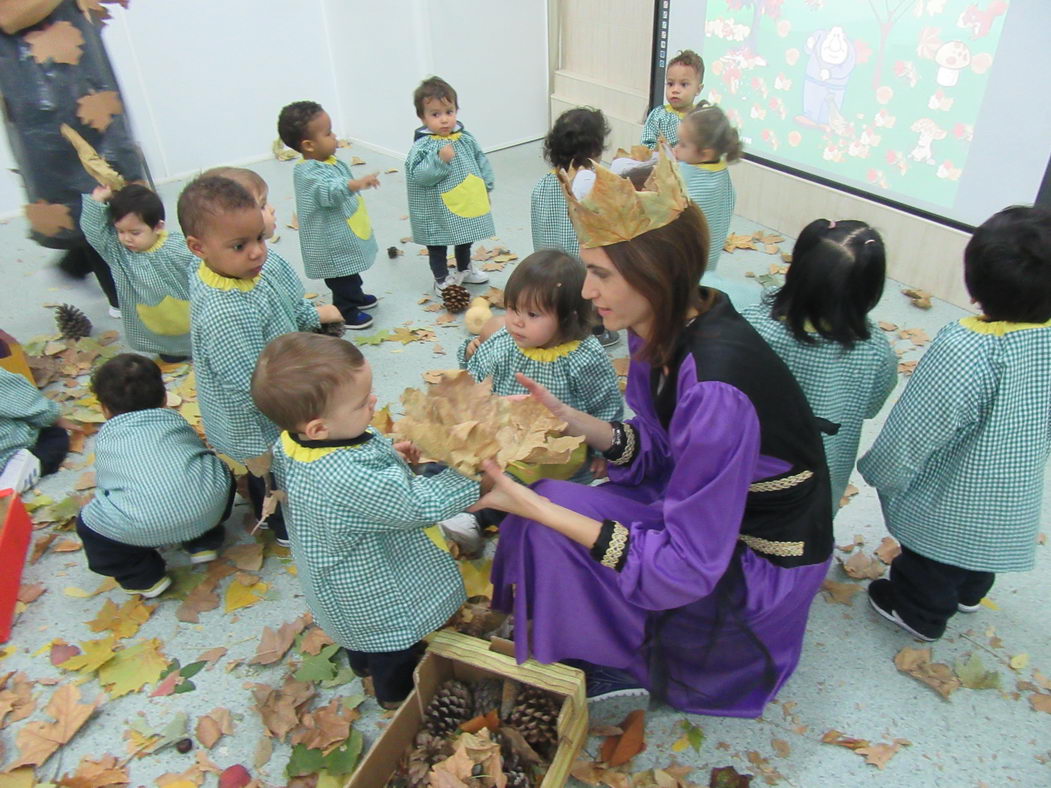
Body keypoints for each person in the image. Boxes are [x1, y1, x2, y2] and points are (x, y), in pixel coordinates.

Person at [477, 146, 833, 717]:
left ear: (656, 273)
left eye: (599, 274)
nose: (586, 293)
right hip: (707, 513)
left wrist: (544, 512)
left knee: (549, 520)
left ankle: (617, 660)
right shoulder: (664, 324)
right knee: (542, 505)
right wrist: (574, 421)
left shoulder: (718, 388)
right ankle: (583, 628)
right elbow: (666, 448)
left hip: (754, 560)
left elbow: (687, 566)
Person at [253, 332, 479, 709]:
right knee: (393, 644)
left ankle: (361, 664)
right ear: (317, 428)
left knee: (360, 636)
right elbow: (418, 505)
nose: (373, 401)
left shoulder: (295, 444)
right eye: (361, 403)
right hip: (374, 585)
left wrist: (389, 457)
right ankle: (396, 697)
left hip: (337, 576)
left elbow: (356, 471)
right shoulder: (342, 476)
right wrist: (471, 476)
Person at [859, 205, 1051, 642]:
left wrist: (882, 471)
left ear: (974, 285)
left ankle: (920, 614)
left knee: (931, 559)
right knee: (981, 550)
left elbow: (919, 426)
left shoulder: (966, 349)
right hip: (1014, 489)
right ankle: (970, 592)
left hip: (954, 496)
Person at [178, 175, 342, 545]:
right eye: (240, 245)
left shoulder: (233, 271)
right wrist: (297, 409)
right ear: (197, 247)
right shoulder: (224, 313)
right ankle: (284, 525)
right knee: (270, 470)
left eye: (260, 238)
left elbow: (278, 308)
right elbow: (247, 384)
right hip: (256, 417)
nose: (256, 252)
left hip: (274, 379)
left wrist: (310, 319)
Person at [443, 250, 624, 549]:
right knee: (471, 470)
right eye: (513, 309)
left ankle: (509, 530)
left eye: (533, 315)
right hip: (505, 439)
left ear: (569, 318)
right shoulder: (504, 342)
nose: (517, 322)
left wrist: (604, 454)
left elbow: (605, 405)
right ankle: (472, 513)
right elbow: (475, 377)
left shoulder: (585, 358)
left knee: (538, 499)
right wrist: (470, 351)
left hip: (558, 451)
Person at [742, 219, 897, 510]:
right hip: (820, 482)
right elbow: (872, 405)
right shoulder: (875, 348)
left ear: (797, 270)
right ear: (869, 290)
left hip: (749, 469)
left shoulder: (753, 325)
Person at [75, 354, 235, 598]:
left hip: (140, 526)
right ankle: (204, 540)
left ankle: (143, 577)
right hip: (207, 509)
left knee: (89, 523)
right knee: (213, 471)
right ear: (163, 398)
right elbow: (196, 455)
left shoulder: (108, 436)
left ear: (105, 409)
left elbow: (107, 485)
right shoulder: (174, 420)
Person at [278, 101, 380, 329]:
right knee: (340, 275)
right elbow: (328, 191)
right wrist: (355, 184)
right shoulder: (308, 173)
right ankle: (345, 310)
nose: (334, 137)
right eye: (328, 133)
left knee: (349, 269)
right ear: (309, 145)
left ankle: (356, 296)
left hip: (343, 234)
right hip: (329, 243)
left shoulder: (329, 162)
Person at [531, 107, 618, 347]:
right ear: (595, 150)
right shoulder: (594, 186)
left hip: (548, 263)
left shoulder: (543, 184)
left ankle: (559, 325)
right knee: (599, 287)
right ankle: (598, 330)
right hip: (583, 265)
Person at [80, 184, 196, 361]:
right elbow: (94, 232)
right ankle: (171, 351)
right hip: (157, 326)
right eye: (120, 231)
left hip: (190, 315)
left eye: (135, 232)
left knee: (202, 341)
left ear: (158, 227)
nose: (126, 238)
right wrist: (97, 201)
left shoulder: (177, 246)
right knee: (170, 354)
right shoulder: (118, 252)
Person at [405, 76, 493, 294]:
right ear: (422, 117)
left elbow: (480, 159)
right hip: (436, 207)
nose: (444, 120)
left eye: (449, 112)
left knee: (466, 235)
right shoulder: (423, 146)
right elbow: (420, 175)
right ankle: (441, 278)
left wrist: (486, 186)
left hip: (465, 199)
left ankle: (465, 268)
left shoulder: (464, 137)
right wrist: (439, 159)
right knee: (438, 243)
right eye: (435, 115)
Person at [673, 105, 741, 276]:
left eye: (682, 144)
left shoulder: (692, 177)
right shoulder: (720, 171)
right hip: (708, 258)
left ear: (705, 154)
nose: (676, 148)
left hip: (683, 260)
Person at [0, 368, 72, 493]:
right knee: (55, 435)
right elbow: (24, 401)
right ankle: (18, 472)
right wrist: (54, 416)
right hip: (7, 451)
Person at [641, 49, 705, 148]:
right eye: (670, 84)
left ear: (698, 89)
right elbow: (646, 143)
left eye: (683, 84)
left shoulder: (701, 118)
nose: (675, 90)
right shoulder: (658, 115)